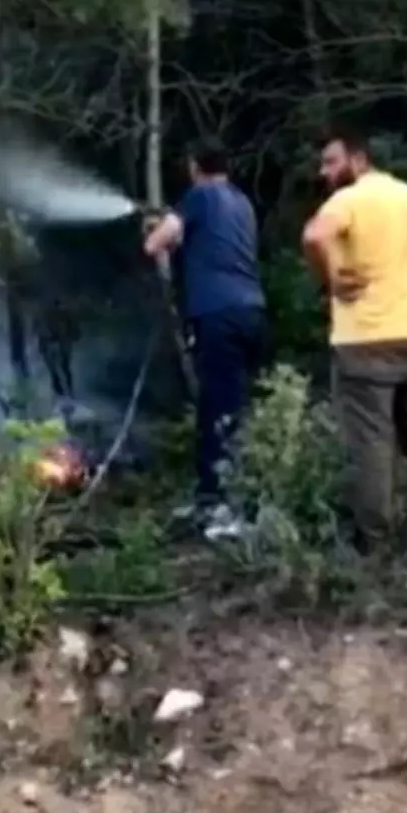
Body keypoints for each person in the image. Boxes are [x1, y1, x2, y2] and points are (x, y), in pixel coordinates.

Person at [301, 128, 407, 566]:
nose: (325, 172)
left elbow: (314, 236)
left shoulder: (349, 200)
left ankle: (374, 550)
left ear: (357, 159)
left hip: (365, 345)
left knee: (371, 445)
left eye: (331, 162)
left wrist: (330, 278)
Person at [144, 140, 266, 532]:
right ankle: (219, 493)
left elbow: (155, 244)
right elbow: (214, 244)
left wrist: (160, 227)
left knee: (218, 408)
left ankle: (225, 504)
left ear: (196, 167)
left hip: (218, 315)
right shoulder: (241, 202)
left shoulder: (200, 195)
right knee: (236, 403)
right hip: (252, 312)